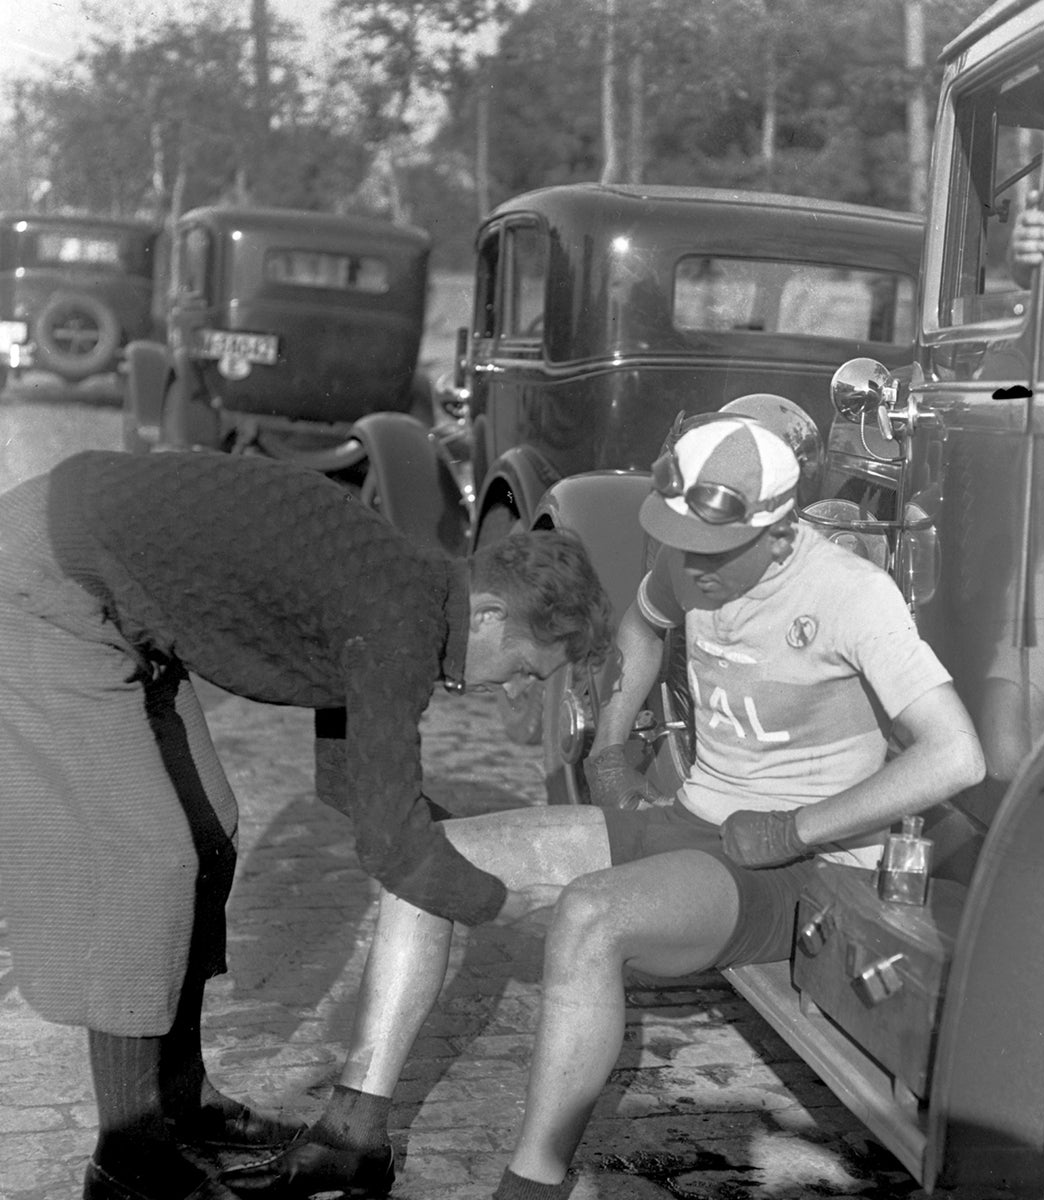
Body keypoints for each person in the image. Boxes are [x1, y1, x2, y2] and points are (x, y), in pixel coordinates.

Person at [226, 405, 985, 1200]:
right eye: (680, 543)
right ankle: (353, 1132)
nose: (692, 568)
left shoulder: (850, 594)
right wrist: (611, 743)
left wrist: (799, 826)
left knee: (593, 915)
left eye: (716, 552)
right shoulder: (689, 560)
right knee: (421, 860)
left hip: (795, 862)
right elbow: (643, 627)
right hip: (692, 818)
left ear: (783, 530)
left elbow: (955, 755)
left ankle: (537, 1184)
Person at [0, 449, 611, 1200]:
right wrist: (500, 899)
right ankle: (127, 1156)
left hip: (112, 582)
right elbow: (389, 845)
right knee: (148, 857)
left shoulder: (409, 590)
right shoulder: (398, 624)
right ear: (487, 613)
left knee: (208, 827)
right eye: (523, 669)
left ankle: (180, 1103)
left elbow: (351, 786)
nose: (511, 690)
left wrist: (450, 849)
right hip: (46, 579)